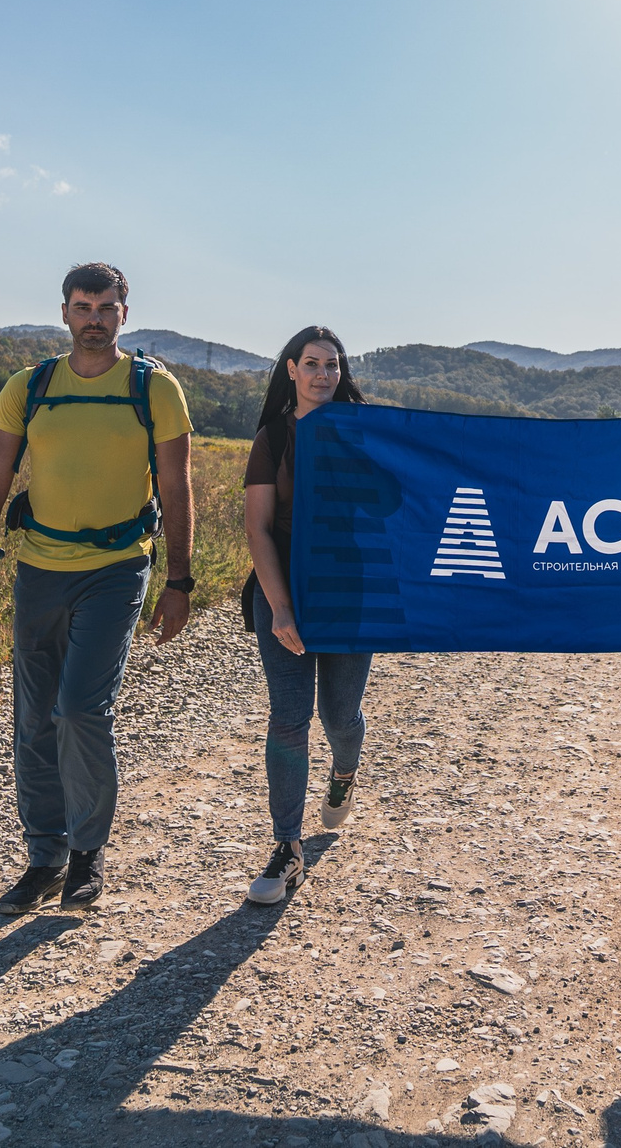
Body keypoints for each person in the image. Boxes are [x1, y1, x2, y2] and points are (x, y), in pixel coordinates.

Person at [0, 263, 195, 915]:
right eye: (83, 307)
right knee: (34, 717)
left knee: (80, 708)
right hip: (39, 569)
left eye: (106, 308)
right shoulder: (30, 387)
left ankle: (87, 854)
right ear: (64, 312)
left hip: (118, 568)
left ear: (123, 314)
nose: (94, 319)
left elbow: (176, 487)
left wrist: (179, 581)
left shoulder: (154, 388)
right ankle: (45, 859)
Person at [237, 327, 378, 905]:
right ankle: (287, 847)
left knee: (340, 716)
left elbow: (396, 506)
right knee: (290, 720)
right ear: (291, 369)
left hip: (349, 592)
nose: (324, 375)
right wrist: (280, 607)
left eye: (333, 365)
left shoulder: (364, 434)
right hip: (284, 588)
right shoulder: (274, 437)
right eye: (313, 364)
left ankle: (344, 773)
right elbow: (258, 528)